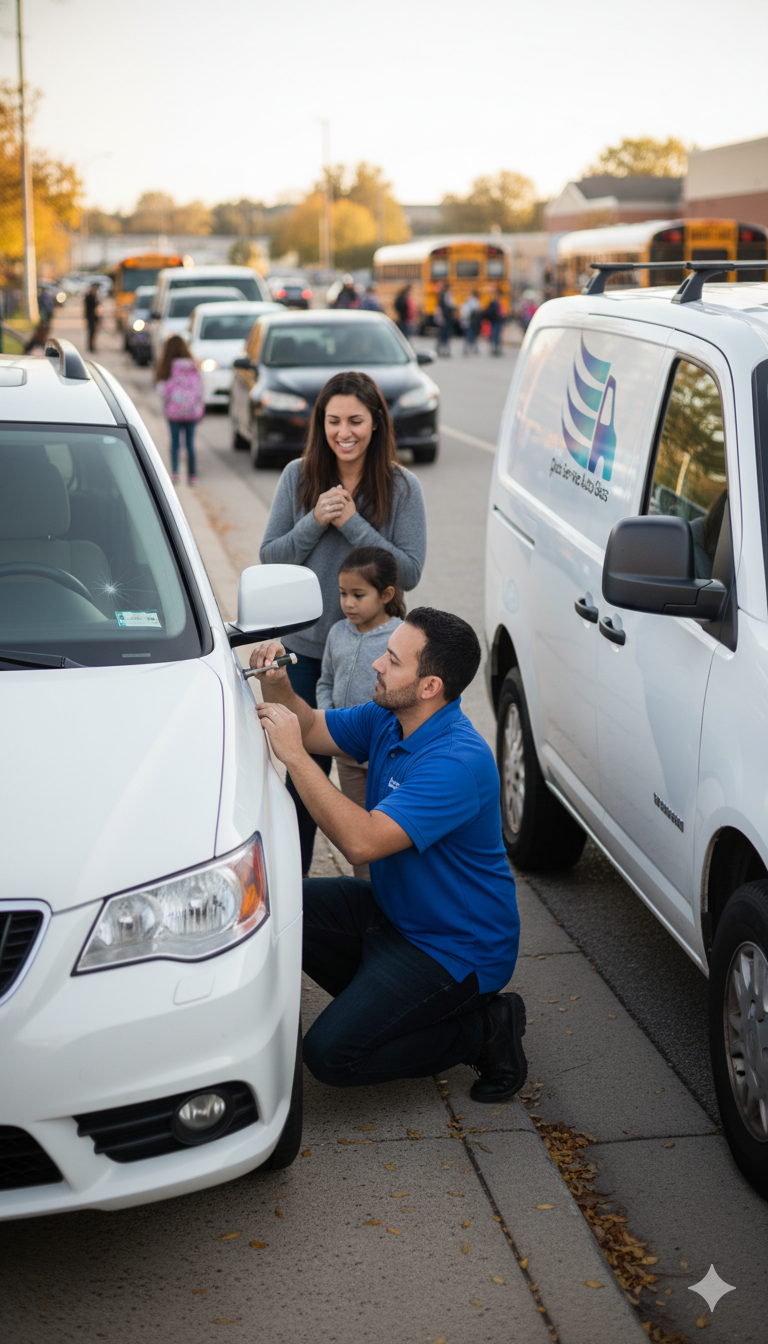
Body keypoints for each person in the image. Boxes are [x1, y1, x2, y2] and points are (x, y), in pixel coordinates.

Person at [249, 607, 526, 1103]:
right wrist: (276, 685)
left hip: (454, 948)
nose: (377, 664)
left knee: (332, 1055)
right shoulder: (388, 715)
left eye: (393, 660)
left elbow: (362, 842)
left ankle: (485, 1028)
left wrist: (293, 758)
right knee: (279, 906)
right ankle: (387, 1004)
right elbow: (311, 727)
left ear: (429, 687)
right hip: (393, 914)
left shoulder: (456, 762)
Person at [259, 369, 427, 876]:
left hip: (373, 658)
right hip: (306, 652)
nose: (344, 432)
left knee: (367, 785)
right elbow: (271, 557)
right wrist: (315, 519)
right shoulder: (298, 475)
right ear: (321, 423)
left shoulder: (402, 486)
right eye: (334, 421)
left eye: (356, 420)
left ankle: (372, 901)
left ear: (376, 423)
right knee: (300, 780)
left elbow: (410, 572)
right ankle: (297, 896)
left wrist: (352, 522)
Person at [316, 546, 405, 879]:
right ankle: (364, 894)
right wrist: (329, 719)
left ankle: (393, 892)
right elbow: (325, 682)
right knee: (356, 832)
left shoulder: (400, 638)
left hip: (387, 757)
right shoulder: (337, 632)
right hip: (348, 760)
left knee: (387, 833)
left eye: (358, 594)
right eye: (342, 594)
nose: (348, 603)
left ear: (386, 595)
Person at [155, 334, 204, 484]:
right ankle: (192, 475)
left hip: (173, 412)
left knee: (175, 443)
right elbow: (199, 389)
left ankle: (175, 473)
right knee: (190, 443)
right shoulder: (192, 367)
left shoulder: (168, 367)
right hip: (191, 412)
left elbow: (162, 390)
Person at [460, 291, 482, 356]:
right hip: (472, 322)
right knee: (472, 336)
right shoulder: (475, 302)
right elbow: (477, 310)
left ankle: (467, 349)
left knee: (468, 336)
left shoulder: (468, 301)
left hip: (467, 322)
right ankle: (471, 349)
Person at [436, 282, 455, 357]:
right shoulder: (445, 296)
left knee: (443, 335)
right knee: (444, 335)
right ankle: (443, 350)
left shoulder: (442, 296)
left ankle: (442, 350)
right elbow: (446, 307)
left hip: (445, 318)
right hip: (445, 318)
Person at [485, 287, 505, 356]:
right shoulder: (494, 304)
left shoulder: (498, 303)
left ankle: (496, 349)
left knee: (497, 336)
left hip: (497, 321)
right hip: (495, 321)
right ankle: (494, 349)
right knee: (495, 336)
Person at [84, 283, 100, 352]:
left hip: (95, 316)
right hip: (91, 317)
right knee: (91, 332)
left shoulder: (95, 296)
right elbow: (87, 308)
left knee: (94, 332)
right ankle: (91, 346)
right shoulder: (89, 296)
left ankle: (93, 345)